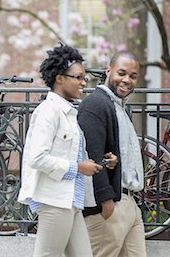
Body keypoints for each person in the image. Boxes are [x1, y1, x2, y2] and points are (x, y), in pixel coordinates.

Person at [18, 44, 117, 257]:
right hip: (55, 202)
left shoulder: (68, 112)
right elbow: (37, 158)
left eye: (84, 77)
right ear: (60, 78)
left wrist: (100, 161)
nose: (84, 82)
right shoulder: (48, 111)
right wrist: (78, 168)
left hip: (71, 201)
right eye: (78, 77)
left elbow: (69, 154)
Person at [78, 51, 146, 256]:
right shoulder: (96, 105)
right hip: (110, 206)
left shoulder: (120, 108)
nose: (127, 80)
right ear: (108, 71)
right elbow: (92, 155)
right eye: (121, 73)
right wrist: (106, 202)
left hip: (130, 205)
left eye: (133, 76)